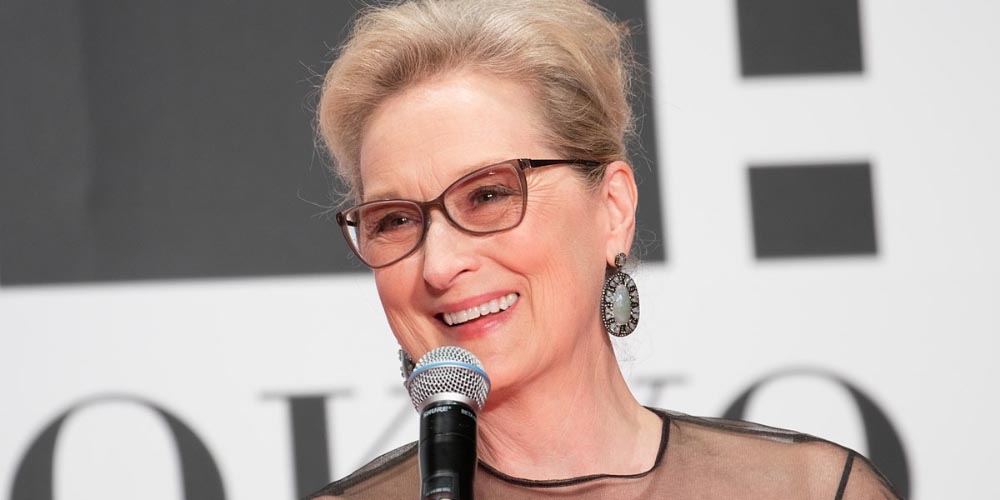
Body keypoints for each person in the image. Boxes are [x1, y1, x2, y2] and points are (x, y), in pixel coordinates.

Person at [308, 0, 902, 498]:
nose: (439, 266)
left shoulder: (805, 491)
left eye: (488, 195)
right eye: (394, 220)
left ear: (613, 209)